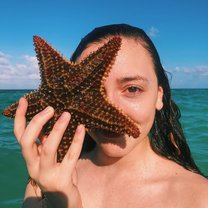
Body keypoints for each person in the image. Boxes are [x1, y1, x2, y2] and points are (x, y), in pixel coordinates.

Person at [14, 24, 207, 208]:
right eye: (89, 93)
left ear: (159, 96)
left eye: (132, 89)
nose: (110, 108)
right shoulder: (42, 185)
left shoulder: (200, 197)